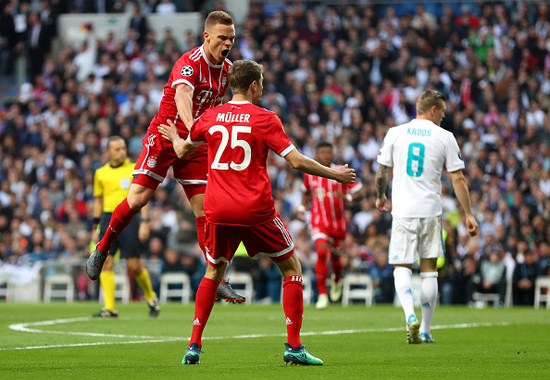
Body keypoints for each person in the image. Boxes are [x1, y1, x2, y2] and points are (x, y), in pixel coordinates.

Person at [157, 59, 356, 365]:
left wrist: (172, 136)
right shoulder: (265, 119)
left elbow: (183, 151)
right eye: (261, 83)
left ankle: (193, 346)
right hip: (254, 209)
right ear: (253, 85)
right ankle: (293, 347)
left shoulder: (210, 116)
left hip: (218, 209)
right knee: (292, 269)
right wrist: (335, 174)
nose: (262, 87)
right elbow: (297, 162)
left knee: (212, 272)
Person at [86, 10, 244, 303]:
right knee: (137, 200)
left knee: (206, 212)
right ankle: (103, 247)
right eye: (223, 38)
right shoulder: (188, 63)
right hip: (166, 136)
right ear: (207, 36)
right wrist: (194, 128)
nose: (228, 44)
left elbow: (222, 105)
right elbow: (183, 95)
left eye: (232, 39)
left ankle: (217, 274)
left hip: (195, 146)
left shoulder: (228, 70)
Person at [375, 90, 478, 344]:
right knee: (429, 271)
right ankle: (426, 330)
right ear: (433, 109)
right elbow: (458, 178)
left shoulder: (395, 133)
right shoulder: (445, 137)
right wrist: (468, 214)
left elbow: (381, 173)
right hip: (430, 211)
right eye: (442, 111)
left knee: (402, 265)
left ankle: (410, 315)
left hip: (402, 211)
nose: (443, 116)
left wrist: (380, 196)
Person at [91, 136, 159, 317]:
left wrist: (144, 222)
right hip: (107, 219)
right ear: (107, 152)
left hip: (130, 219)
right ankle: (110, 308)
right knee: (106, 262)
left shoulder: (134, 168)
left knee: (134, 265)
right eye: (117, 149)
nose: (121, 152)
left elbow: (143, 196)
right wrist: (95, 226)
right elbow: (98, 201)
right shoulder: (100, 173)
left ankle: (151, 297)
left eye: (123, 148)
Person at [300, 141, 362, 309]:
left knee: (335, 258)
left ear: (333, 154)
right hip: (319, 222)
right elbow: (305, 192)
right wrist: (301, 207)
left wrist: (348, 198)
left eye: (329, 152)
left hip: (338, 224)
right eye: (323, 153)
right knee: (321, 252)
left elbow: (360, 192)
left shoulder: (341, 171)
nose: (326, 156)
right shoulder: (310, 173)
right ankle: (322, 294)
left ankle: (336, 280)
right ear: (317, 155)